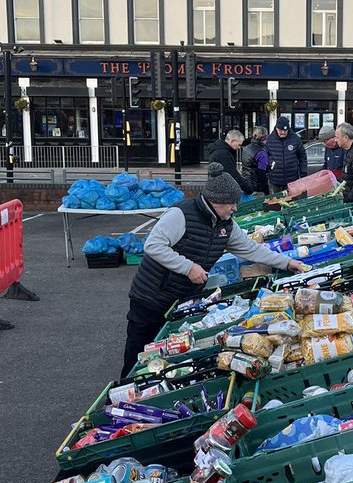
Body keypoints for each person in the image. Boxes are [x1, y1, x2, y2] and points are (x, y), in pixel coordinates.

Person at [120, 162, 307, 380]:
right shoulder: (180, 214)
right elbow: (152, 245)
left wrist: (285, 262)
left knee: (168, 356)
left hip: (182, 300)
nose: (235, 208)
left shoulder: (225, 224)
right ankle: (118, 395)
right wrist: (188, 267)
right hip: (151, 296)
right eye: (231, 204)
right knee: (137, 354)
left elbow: (250, 249)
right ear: (215, 201)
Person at [264, 116, 307, 191]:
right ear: (276, 128)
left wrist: (303, 172)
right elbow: (264, 157)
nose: (283, 132)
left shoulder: (295, 139)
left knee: (292, 201)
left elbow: (302, 156)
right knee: (276, 201)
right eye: (281, 130)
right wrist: (268, 172)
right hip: (275, 180)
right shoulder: (269, 139)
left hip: (292, 180)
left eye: (285, 130)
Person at [208, 128, 254, 195]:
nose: (239, 147)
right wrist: (248, 189)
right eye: (239, 145)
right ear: (232, 141)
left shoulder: (221, 151)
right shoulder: (223, 154)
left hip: (218, 189)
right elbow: (232, 174)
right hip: (221, 192)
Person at [240, 126, 269, 193]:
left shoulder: (246, 148)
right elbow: (262, 174)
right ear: (264, 137)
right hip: (257, 187)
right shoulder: (261, 153)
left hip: (246, 183)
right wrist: (266, 192)